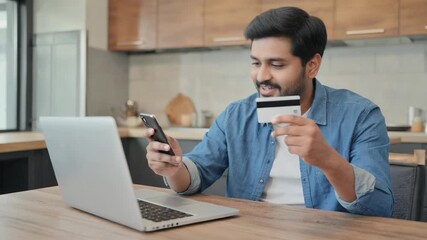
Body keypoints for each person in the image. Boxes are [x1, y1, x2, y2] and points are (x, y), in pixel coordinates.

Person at [144, 6, 393, 217]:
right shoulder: (237, 115)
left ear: (312, 65)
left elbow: (381, 208)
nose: (262, 76)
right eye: (255, 63)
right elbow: (196, 174)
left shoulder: (361, 116)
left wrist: (327, 159)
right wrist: (174, 168)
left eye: (277, 64)